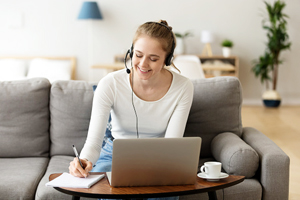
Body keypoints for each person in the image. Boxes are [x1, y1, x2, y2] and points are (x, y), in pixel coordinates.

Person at [69, 20, 194, 200]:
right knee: (108, 192)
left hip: (160, 157)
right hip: (115, 153)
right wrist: (84, 160)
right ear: (130, 52)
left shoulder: (183, 87)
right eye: (138, 55)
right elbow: (94, 144)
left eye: (153, 58)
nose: (143, 64)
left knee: (163, 195)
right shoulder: (110, 84)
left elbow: (171, 145)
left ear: (167, 59)